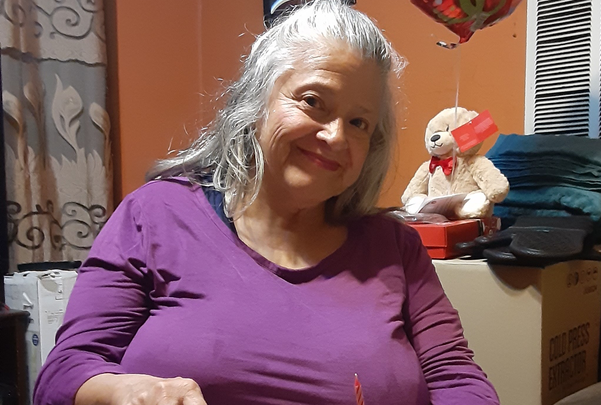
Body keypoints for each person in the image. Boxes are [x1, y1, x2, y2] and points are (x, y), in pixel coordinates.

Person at [33, 1, 500, 404]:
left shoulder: (396, 248)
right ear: (257, 102)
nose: (336, 136)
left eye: (359, 122)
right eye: (313, 101)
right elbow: (64, 374)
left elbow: (458, 380)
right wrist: (130, 391)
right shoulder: (154, 215)